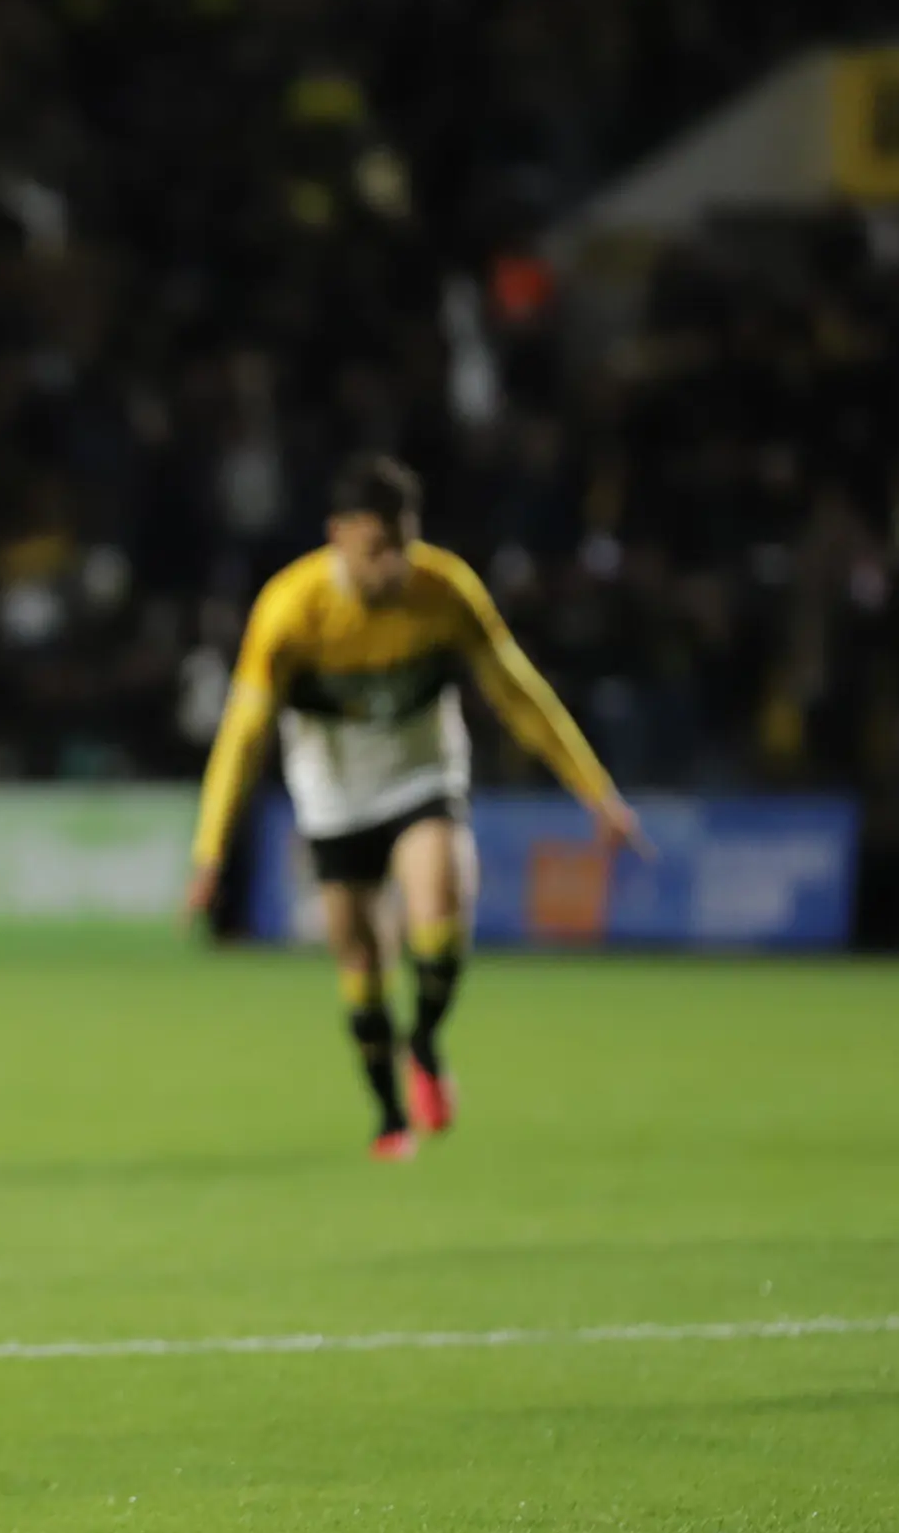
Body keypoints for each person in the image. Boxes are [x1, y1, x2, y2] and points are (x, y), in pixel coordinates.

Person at [184, 455, 646, 1156]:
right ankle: (390, 1119)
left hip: (422, 772)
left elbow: (519, 695)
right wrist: (210, 849)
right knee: (361, 964)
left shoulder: (446, 590)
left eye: (403, 544)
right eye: (376, 549)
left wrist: (597, 793)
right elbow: (243, 736)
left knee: (440, 907)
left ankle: (425, 1041)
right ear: (337, 535)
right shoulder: (290, 610)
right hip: (333, 792)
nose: (392, 565)